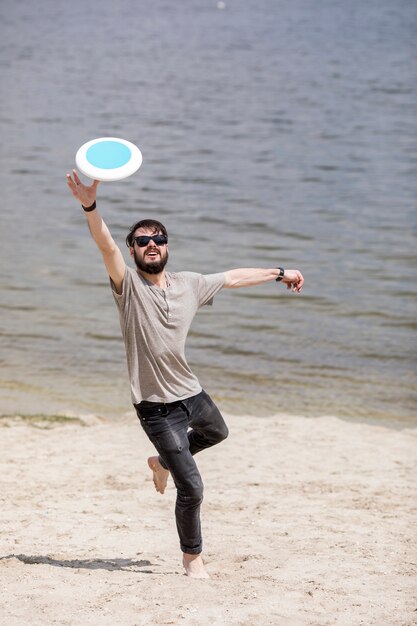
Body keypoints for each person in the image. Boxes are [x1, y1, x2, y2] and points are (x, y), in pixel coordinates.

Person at [66, 170, 304, 578]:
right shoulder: (127, 286)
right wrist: (90, 205)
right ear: (133, 250)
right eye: (142, 240)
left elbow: (232, 277)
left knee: (218, 433)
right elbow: (104, 245)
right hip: (156, 407)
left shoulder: (189, 284)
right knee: (191, 486)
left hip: (190, 392)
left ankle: (161, 461)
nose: (151, 244)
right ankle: (193, 560)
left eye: (158, 238)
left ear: (167, 246)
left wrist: (280, 272)